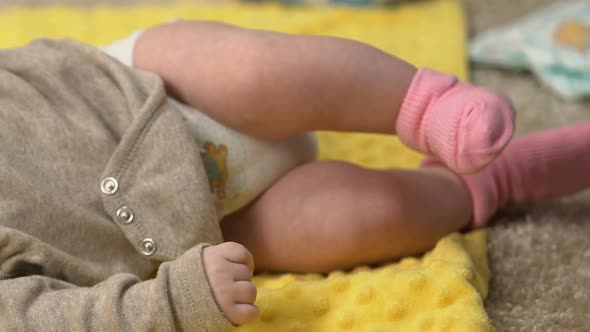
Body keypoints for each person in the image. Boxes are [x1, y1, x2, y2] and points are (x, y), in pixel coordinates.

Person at [0, 19, 588, 331]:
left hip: (139, 85)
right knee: (364, 219)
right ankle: (490, 184)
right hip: (210, 217)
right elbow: (52, 321)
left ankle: (425, 107)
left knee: (258, 71)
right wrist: (175, 303)